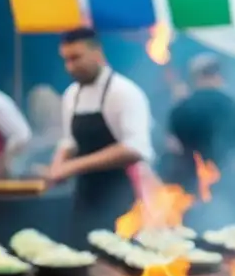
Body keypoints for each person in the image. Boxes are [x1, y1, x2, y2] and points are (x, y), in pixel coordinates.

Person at [46, 28, 154, 244]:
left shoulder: (124, 92)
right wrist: (57, 166)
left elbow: (135, 148)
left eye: (76, 58)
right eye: (66, 60)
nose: (70, 67)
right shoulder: (71, 95)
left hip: (123, 201)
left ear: (97, 53)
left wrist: (73, 166)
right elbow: (69, 141)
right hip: (84, 199)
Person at [165, 54, 235, 195]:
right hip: (228, 181)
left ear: (195, 77)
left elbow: (173, 144)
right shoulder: (232, 105)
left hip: (189, 183)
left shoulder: (182, 108)